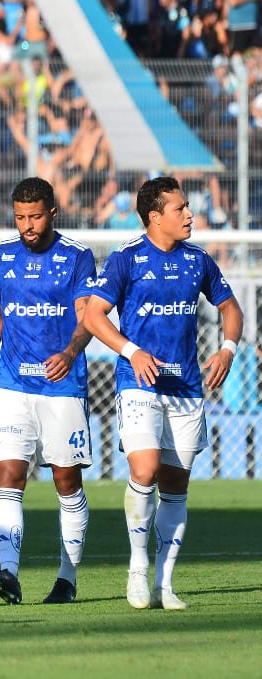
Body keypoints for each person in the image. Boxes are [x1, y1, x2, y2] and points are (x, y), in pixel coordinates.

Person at [82, 176, 242, 611]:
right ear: (155, 216)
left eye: (188, 207)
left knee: (176, 486)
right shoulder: (126, 259)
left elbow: (231, 309)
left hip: (188, 387)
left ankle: (164, 585)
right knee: (146, 470)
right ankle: (137, 568)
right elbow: (95, 316)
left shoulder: (199, 262)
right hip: (139, 385)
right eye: (180, 208)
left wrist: (227, 349)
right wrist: (131, 352)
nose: (190, 214)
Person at [0, 178, 96, 605]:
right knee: (9, 475)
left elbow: (87, 318)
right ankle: (9, 574)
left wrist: (70, 350)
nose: (28, 225)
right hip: (10, 385)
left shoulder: (78, 257)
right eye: (21, 217)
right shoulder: (0, 256)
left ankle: (67, 577)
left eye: (36, 216)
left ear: (52, 212)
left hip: (62, 387)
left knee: (66, 480)